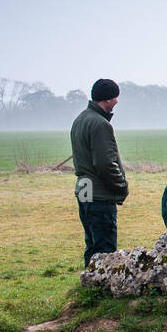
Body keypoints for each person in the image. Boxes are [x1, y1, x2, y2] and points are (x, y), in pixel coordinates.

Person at [69, 79, 129, 269]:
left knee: (91, 242)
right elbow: (105, 163)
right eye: (115, 97)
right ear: (108, 99)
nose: (117, 102)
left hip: (84, 189)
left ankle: (90, 281)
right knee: (104, 246)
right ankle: (103, 290)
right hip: (99, 194)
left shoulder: (80, 119)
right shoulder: (100, 124)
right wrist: (121, 185)